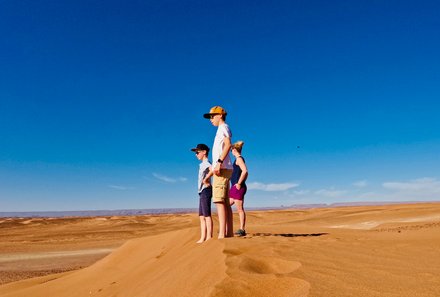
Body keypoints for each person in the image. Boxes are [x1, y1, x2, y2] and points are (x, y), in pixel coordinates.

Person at [203, 106, 234, 238]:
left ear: (220, 115)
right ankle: (229, 232)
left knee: (218, 201)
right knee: (225, 202)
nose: (210, 119)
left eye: (212, 116)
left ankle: (222, 234)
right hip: (222, 168)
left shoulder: (223, 128)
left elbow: (228, 144)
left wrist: (219, 162)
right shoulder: (220, 130)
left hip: (222, 169)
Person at [190, 143, 213, 243]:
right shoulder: (202, 164)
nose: (196, 154)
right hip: (201, 191)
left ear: (204, 152)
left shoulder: (207, 163)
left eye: (197, 152)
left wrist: (207, 179)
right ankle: (203, 237)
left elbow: (213, 169)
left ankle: (209, 237)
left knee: (207, 215)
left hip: (206, 190)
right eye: (195, 153)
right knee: (201, 216)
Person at [229, 141, 248, 236]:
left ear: (235, 150)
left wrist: (239, 183)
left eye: (231, 150)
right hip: (234, 188)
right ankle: (227, 227)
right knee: (226, 205)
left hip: (238, 188)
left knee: (240, 209)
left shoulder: (239, 159)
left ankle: (242, 229)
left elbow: (245, 171)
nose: (231, 151)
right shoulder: (237, 159)